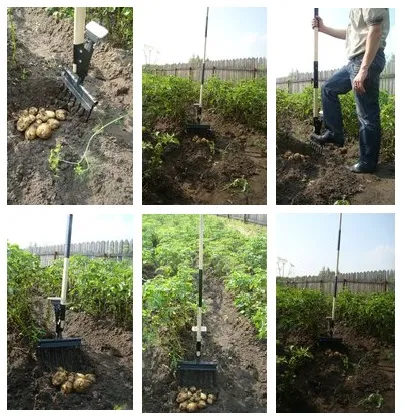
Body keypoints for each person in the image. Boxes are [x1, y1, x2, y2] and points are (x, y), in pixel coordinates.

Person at [311, 9, 390, 173]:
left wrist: (363, 69)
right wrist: (324, 28)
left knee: (366, 114)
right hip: (353, 62)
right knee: (329, 89)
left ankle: (368, 163)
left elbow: (375, 30)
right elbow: (351, 33)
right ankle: (335, 134)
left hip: (366, 60)